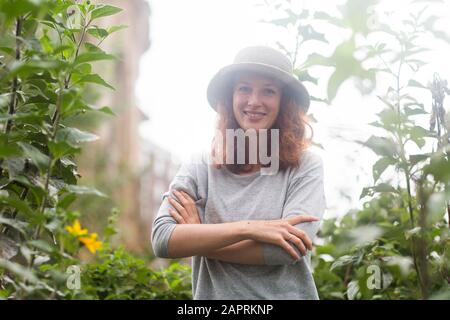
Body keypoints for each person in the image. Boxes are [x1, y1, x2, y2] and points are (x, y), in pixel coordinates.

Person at [151, 46, 327, 300]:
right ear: (231, 96)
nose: (254, 101)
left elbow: (288, 249)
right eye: (244, 88)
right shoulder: (201, 165)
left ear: (284, 101)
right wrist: (248, 229)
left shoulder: (306, 165)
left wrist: (200, 236)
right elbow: (163, 239)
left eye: (268, 90)